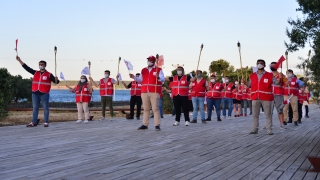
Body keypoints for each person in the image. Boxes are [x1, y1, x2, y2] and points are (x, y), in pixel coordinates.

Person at [16, 56, 59, 127]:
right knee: (35, 108)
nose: (40, 65)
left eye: (42, 64)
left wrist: (56, 80)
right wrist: (19, 60)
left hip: (44, 93)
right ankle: (34, 121)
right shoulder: (35, 72)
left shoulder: (49, 74)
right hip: (35, 93)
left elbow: (56, 82)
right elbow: (26, 68)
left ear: (45, 65)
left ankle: (46, 122)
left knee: (45, 108)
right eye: (39, 64)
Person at [129, 55, 165, 131]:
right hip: (144, 91)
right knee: (146, 109)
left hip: (154, 91)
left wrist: (158, 77)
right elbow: (140, 80)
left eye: (151, 60)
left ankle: (157, 125)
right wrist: (134, 77)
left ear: (154, 62)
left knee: (155, 109)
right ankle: (145, 124)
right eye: (148, 60)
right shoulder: (143, 70)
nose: (149, 61)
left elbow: (162, 79)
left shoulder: (158, 70)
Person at [248, 59, 274, 135]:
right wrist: (245, 82)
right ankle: (254, 129)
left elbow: (276, 82)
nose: (259, 64)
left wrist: (279, 78)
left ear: (264, 65)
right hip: (255, 97)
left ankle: (269, 129)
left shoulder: (269, 75)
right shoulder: (252, 75)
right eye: (258, 63)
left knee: (268, 114)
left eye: (261, 63)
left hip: (266, 97)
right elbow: (249, 85)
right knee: (255, 114)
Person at [270, 62, 286, 129]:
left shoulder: (281, 74)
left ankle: (281, 124)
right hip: (269, 94)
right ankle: (269, 124)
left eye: (274, 65)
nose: (272, 66)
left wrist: (283, 78)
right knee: (268, 110)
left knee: (280, 109)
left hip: (278, 94)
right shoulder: (268, 75)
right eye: (271, 65)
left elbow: (286, 83)